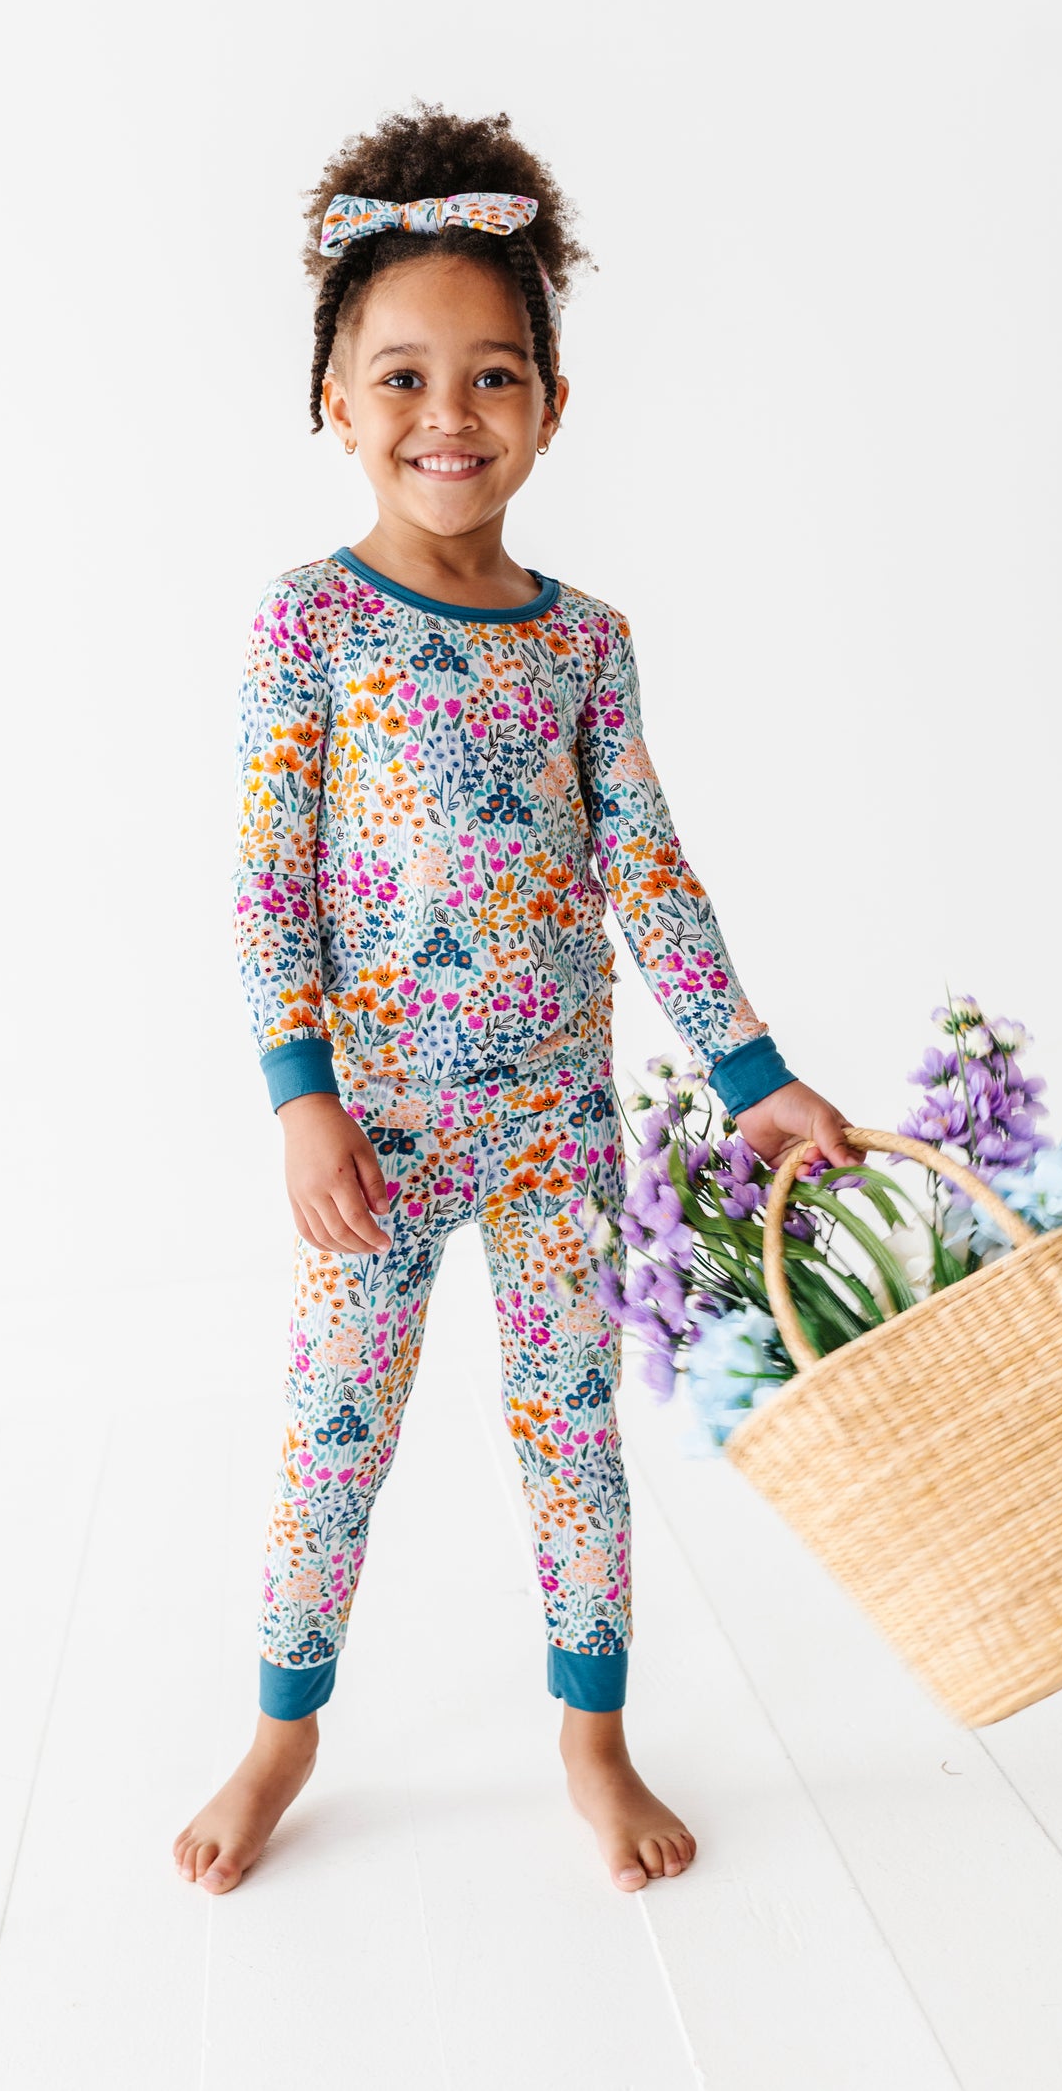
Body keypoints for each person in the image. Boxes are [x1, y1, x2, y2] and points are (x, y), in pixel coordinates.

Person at [174, 102, 854, 1898]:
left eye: (492, 376)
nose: (448, 414)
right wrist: (302, 1096)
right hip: (376, 1135)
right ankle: (284, 1732)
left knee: (575, 1441)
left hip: (557, 1123)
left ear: (552, 404)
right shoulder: (310, 626)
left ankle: (594, 1737)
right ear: (334, 400)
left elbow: (651, 872)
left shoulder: (584, 640)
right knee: (337, 1436)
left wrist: (756, 1074)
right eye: (402, 376)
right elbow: (269, 883)